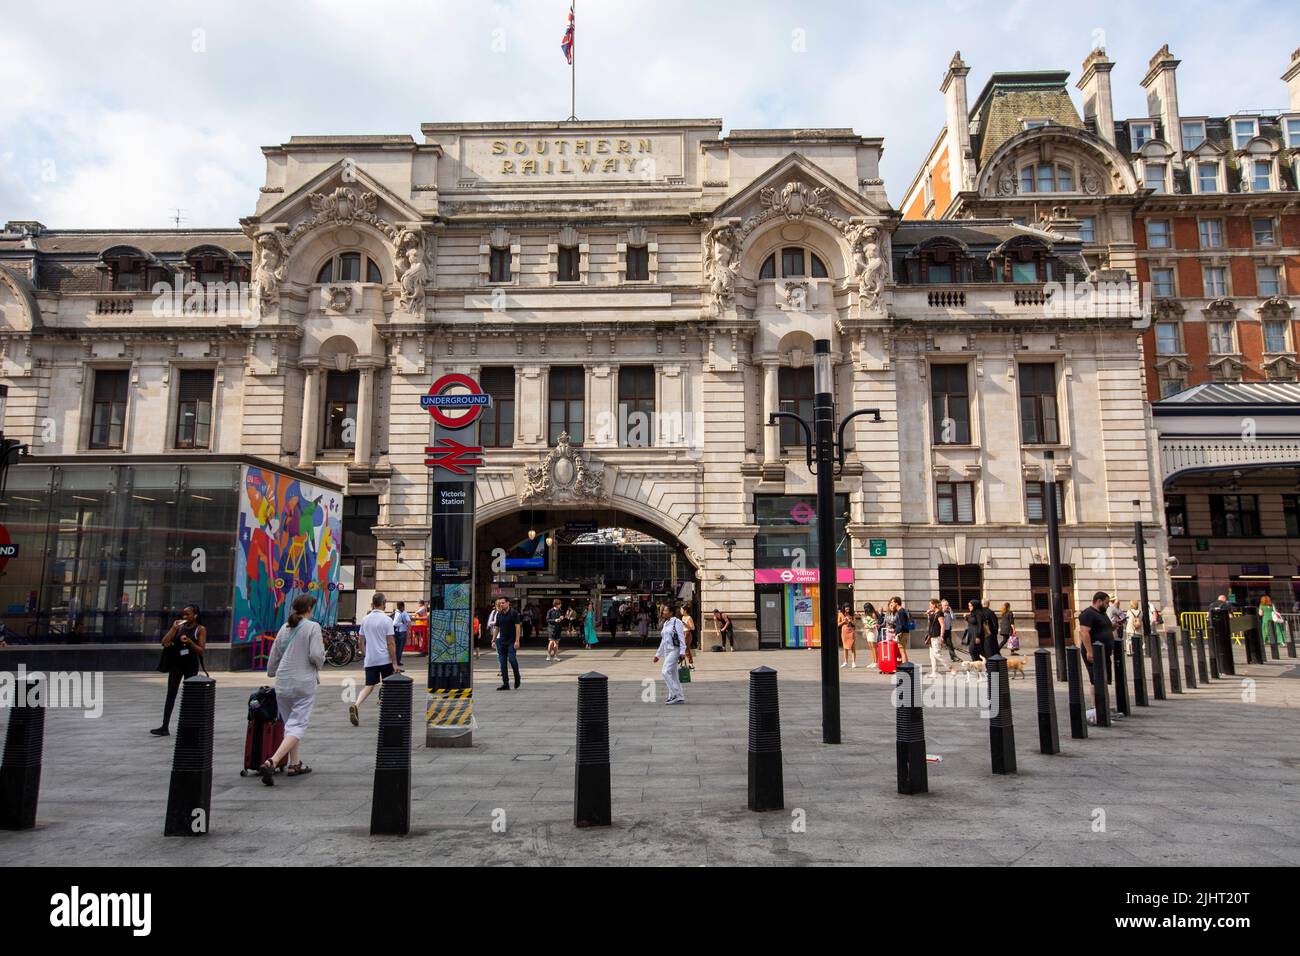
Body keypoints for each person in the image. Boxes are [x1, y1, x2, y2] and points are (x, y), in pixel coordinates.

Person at [260, 593, 325, 785]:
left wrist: (271, 671)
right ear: (309, 609)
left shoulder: (285, 627)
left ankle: (294, 764)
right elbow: (316, 655)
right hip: (303, 682)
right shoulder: (313, 627)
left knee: (290, 725)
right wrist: (320, 661)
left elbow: (275, 653)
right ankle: (272, 761)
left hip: (283, 682)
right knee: (298, 725)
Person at [151, 604, 206, 736]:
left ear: (195, 615)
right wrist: (173, 628)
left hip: (191, 665)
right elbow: (164, 642)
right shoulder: (179, 626)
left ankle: (188, 727)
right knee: (171, 694)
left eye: (188, 614)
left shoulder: (200, 629)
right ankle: (165, 726)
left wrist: (190, 642)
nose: (185, 616)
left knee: (190, 696)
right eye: (184, 614)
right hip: (177, 664)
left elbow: (201, 650)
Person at [350, 592, 397, 726]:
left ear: (373, 604)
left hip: (370, 659)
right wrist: (394, 662)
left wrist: (366, 654)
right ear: (384, 603)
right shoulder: (387, 620)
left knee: (369, 686)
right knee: (389, 684)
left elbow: (360, 642)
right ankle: (387, 712)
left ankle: (357, 705)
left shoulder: (365, 619)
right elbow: (391, 643)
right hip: (385, 659)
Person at [1077, 591, 1119, 716]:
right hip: (1094, 652)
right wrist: (1089, 651)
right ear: (1099, 601)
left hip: (1103, 652)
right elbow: (1084, 633)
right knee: (1096, 679)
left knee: (1104, 678)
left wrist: (1113, 626)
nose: (1107, 605)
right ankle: (1096, 707)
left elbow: (1104, 628)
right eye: (1106, 603)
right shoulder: (1088, 614)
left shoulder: (1102, 613)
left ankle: (1104, 706)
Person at [653, 605, 686, 704]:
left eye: (665, 610)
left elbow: (681, 637)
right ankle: (679, 696)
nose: (663, 612)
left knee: (665, 671)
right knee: (673, 674)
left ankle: (674, 693)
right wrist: (658, 655)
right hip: (667, 650)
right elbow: (663, 640)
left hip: (674, 650)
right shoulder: (666, 623)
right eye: (663, 610)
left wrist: (682, 652)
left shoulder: (677, 622)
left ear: (671, 612)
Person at [493, 597, 521, 689]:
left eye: (503, 603)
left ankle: (517, 676)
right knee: (502, 663)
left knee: (512, 659)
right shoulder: (499, 614)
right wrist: (493, 640)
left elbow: (517, 627)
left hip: (511, 641)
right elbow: (497, 628)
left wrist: (517, 641)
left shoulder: (514, 613)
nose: (501, 604)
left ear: (508, 603)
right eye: (500, 603)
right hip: (501, 641)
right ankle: (506, 684)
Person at [924, 599, 947, 677]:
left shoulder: (940, 613)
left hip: (936, 636)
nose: (929, 606)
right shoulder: (933, 613)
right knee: (932, 656)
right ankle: (934, 672)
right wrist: (928, 615)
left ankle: (951, 668)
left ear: (934, 605)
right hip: (931, 636)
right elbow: (930, 624)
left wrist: (942, 636)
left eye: (930, 604)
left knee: (937, 654)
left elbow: (942, 625)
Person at [888, 596, 911, 664]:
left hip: (902, 633)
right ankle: (907, 666)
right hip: (904, 632)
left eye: (892, 602)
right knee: (903, 650)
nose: (891, 604)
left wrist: (896, 632)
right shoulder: (901, 610)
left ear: (896, 603)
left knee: (902, 651)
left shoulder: (901, 611)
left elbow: (901, 624)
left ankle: (904, 667)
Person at [392, 601, 410, 669]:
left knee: (397, 647)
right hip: (402, 632)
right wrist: (402, 624)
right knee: (400, 648)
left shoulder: (396, 613)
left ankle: (396, 661)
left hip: (397, 632)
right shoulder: (402, 613)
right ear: (402, 606)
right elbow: (408, 622)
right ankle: (397, 661)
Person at [838, 603, 858, 668]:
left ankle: (853, 662)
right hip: (844, 633)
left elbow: (854, 624)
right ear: (844, 608)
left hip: (851, 632)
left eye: (849, 607)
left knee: (853, 648)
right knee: (845, 648)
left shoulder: (852, 614)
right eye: (846, 607)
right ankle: (845, 662)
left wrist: (850, 621)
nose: (848, 609)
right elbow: (838, 624)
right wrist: (843, 621)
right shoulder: (840, 614)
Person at [861, 602, 879, 669]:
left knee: (874, 647)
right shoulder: (866, 614)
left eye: (866, 608)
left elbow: (874, 624)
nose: (865, 609)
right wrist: (865, 624)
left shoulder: (873, 614)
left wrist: (868, 626)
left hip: (873, 631)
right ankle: (873, 661)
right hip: (868, 631)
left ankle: (876, 662)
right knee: (871, 647)